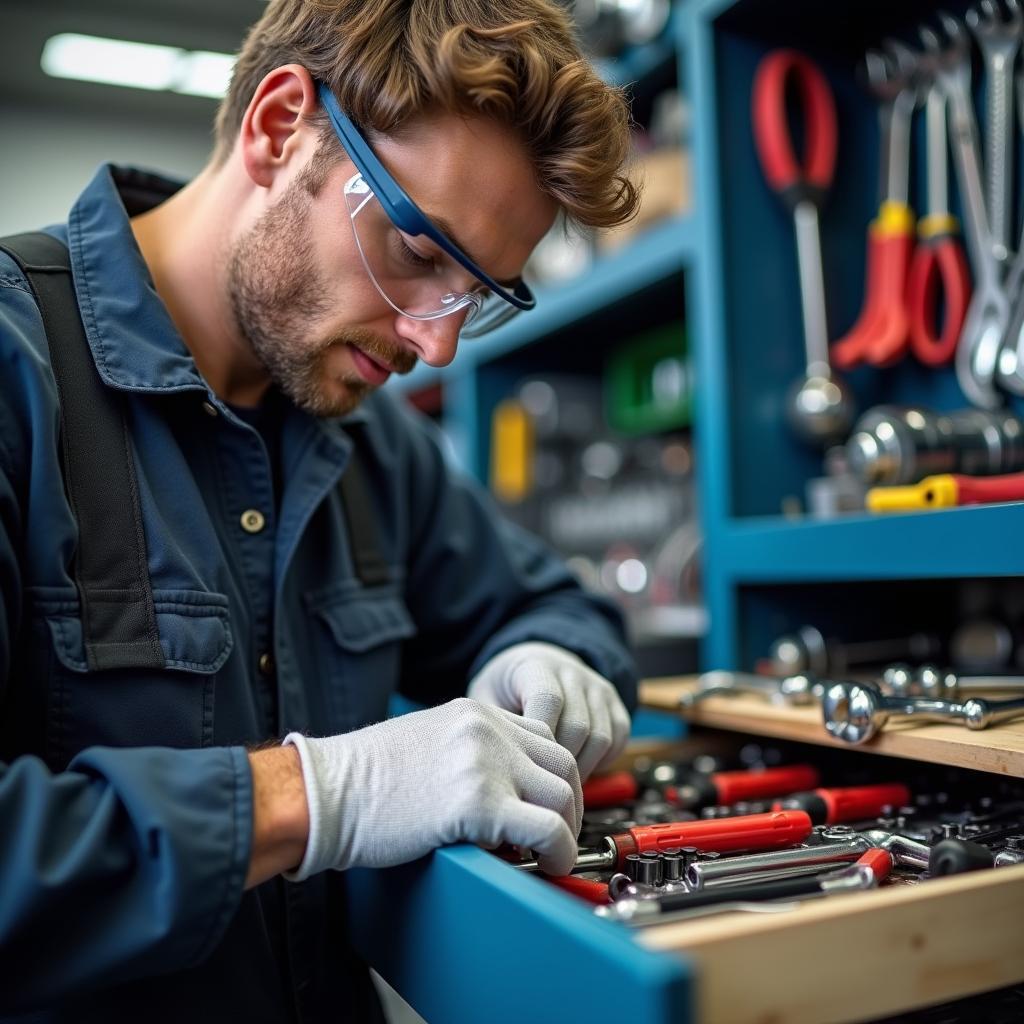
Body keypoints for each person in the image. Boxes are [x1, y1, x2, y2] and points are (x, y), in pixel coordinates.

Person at [0, 0, 641, 1019]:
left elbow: (556, 610)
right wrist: (313, 797)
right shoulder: (16, 372)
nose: (433, 344)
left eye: (474, 295)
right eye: (417, 249)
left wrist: (553, 662)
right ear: (276, 127)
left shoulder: (367, 442)